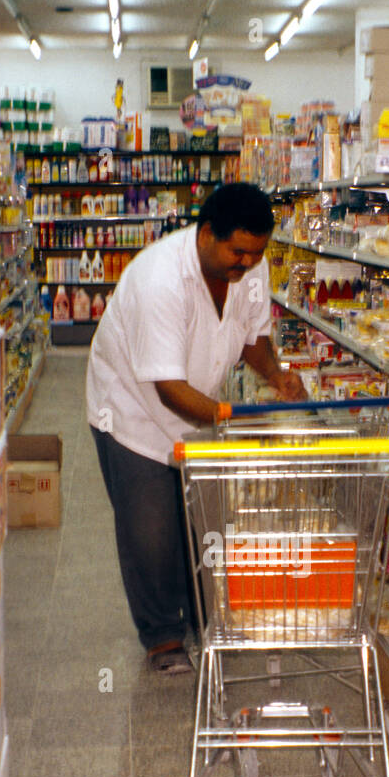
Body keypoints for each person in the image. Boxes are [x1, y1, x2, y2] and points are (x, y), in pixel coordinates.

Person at [86, 181, 306, 673]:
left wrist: (275, 376)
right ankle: (162, 635)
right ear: (206, 234)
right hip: (132, 410)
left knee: (202, 517)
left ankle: (205, 616)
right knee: (151, 528)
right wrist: (238, 426)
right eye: (238, 251)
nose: (247, 262)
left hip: (202, 406)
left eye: (256, 253)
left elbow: (252, 334)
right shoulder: (160, 279)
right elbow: (167, 387)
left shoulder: (250, 266)